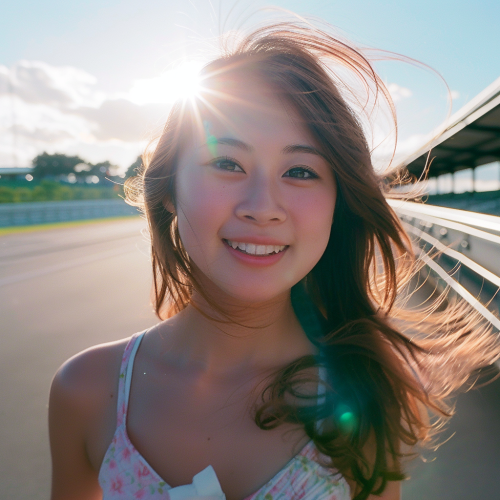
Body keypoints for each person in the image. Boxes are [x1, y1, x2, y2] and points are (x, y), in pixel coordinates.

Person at [48, 21, 500, 500]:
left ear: (336, 206)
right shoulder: (88, 391)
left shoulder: (363, 392)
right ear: (168, 193)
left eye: (300, 171)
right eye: (226, 163)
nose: (262, 206)